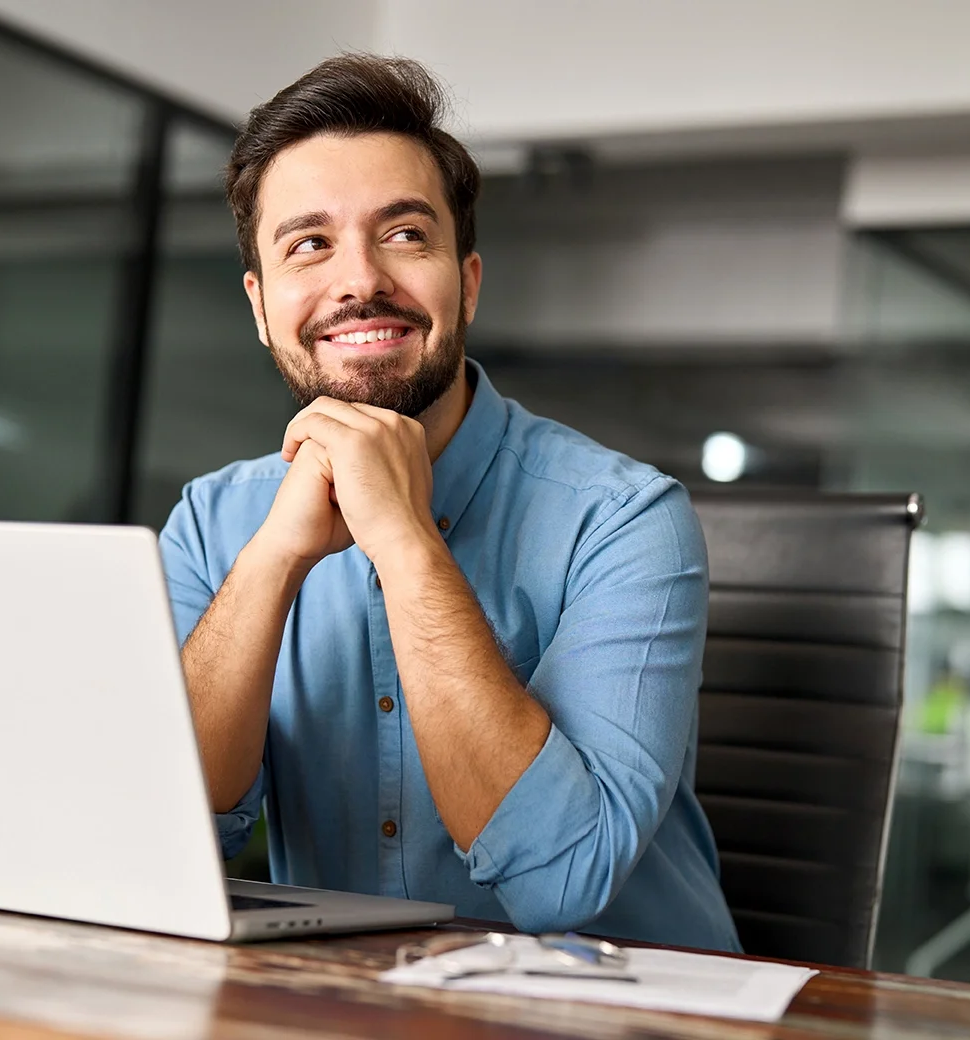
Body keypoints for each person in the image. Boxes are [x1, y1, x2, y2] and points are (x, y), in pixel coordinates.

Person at [160, 53, 739, 951]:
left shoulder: (625, 519)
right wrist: (273, 559)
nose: (359, 280)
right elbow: (171, 831)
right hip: (346, 1005)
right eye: (308, 244)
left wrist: (403, 538)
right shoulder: (213, 523)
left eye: (403, 234)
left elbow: (563, 880)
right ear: (261, 306)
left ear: (465, 282)